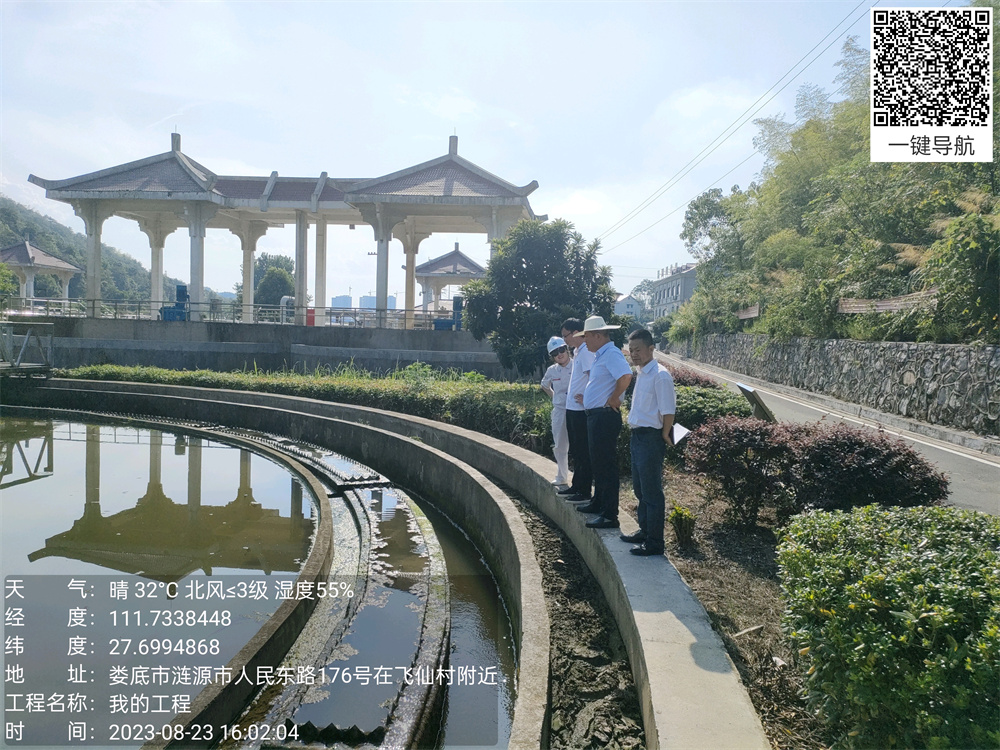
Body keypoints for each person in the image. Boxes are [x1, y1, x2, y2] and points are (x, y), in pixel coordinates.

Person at [573, 315, 633, 529]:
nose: (585, 341)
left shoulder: (611, 354)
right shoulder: (601, 355)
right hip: (597, 416)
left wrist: (615, 397)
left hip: (604, 416)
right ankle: (598, 503)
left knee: (605, 465)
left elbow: (625, 376)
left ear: (598, 336)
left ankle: (609, 514)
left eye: (587, 337)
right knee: (598, 463)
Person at [621, 328, 675, 556]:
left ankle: (654, 542)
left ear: (651, 349)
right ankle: (644, 531)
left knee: (652, 492)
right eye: (631, 350)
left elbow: (668, 410)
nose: (634, 354)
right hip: (638, 437)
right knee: (640, 489)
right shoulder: (642, 373)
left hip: (651, 438)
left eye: (638, 350)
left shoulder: (660, 375)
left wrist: (665, 434)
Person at [556, 318, 595, 503]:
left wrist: (587, 398)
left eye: (566, 336)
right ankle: (577, 485)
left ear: (576, 332)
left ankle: (584, 490)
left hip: (580, 410)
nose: (565, 340)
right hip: (572, 408)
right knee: (576, 450)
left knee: (582, 451)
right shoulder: (578, 351)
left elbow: (593, 377)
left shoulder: (586, 352)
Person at [540, 336, 572, 486]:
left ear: (567, 349)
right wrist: (555, 397)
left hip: (577, 409)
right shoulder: (552, 370)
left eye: (561, 350)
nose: (559, 354)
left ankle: (581, 479)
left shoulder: (577, 365)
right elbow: (544, 385)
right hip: (560, 410)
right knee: (560, 445)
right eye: (555, 353)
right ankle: (562, 476)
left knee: (580, 445)